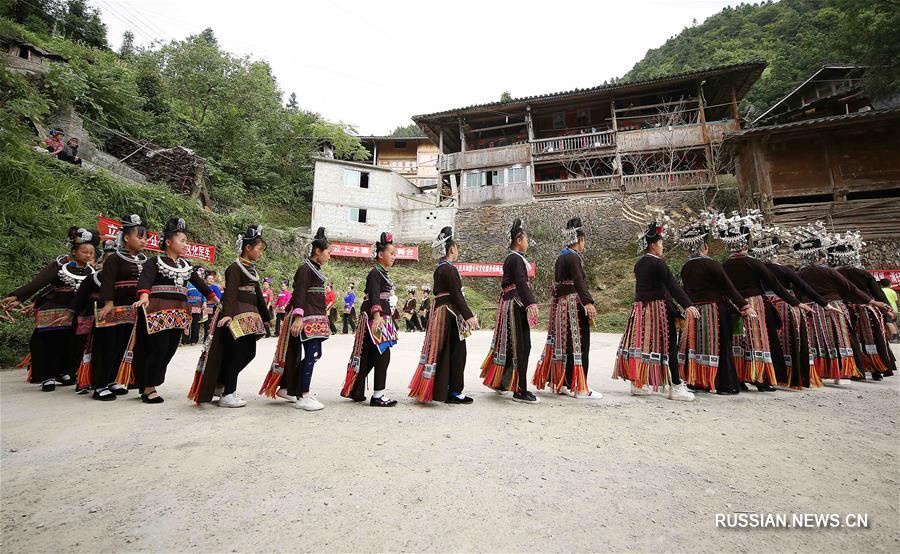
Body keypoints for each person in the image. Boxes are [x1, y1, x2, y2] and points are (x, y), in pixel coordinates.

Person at [718, 211, 809, 392]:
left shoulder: (725, 265)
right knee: (757, 339)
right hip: (754, 303)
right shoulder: (754, 263)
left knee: (738, 340)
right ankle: (760, 377)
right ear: (745, 243)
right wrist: (795, 302)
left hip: (734, 304)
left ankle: (740, 376)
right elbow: (775, 286)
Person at [131, 218, 217, 404]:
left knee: (170, 349)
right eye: (182, 240)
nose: (186, 244)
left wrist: (215, 299)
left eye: (186, 241)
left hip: (178, 312)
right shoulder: (154, 262)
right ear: (169, 242)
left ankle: (149, 381)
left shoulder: (186, 266)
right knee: (158, 348)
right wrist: (144, 297)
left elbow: (200, 284)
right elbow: (145, 281)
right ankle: (148, 387)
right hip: (158, 310)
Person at [2, 227, 98, 391]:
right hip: (55, 308)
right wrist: (18, 296)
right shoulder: (60, 265)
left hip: (78, 311)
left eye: (91, 253)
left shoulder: (92, 271)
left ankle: (65, 371)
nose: (88, 255)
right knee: (51, 343)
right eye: (84, 252)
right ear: (74, 252)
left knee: (73, 343)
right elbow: (39, 283)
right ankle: (47, 376)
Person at [612, 218, 697, 401]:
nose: (662, 247)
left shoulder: (639, 264)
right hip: (658, 310)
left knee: (642, 345)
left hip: (641, 310)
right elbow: (672, 286)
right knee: (669, 348)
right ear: (652, 245)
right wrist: (688, 305)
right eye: (660, 243)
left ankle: (639, 383)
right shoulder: (658, 263)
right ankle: (676, 386)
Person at [189, 225, 270, 408]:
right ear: (248, 248)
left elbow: (258, 296)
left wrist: (266, 316)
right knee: (237, 353)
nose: (260, 253)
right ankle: (228, 393)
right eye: (259, 249)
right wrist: (227, 315)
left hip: (251, 316)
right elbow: (231, 292)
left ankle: (223, 382)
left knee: (250, 352)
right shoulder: (234, 268)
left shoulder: (252, 270)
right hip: (236, 315)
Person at [677, 217, 754, 395]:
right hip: (713, 311)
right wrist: (744, 305)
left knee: (695, 347)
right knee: (721, 346)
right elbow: (729, 287)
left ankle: (698, 380)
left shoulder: (686, 267)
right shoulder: (712, 264)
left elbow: (683, 289)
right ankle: (724, 383)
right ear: (704, 246)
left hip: (695, 311)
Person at [793, 226, 875, 385]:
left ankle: (818, 371)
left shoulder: (799, 273)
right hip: (833, 306)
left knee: (814, 341)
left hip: (810, 308)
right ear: (820, 256)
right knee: (839, 339)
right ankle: (842, 373)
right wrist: (870, 301)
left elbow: (797, 291)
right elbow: (850, 288)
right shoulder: (829, 272)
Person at [261, 228, 333, 411]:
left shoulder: (315, 269)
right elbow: (299, 294)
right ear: (318, 251)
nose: (329, 256)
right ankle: (303, 396)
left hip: (316, 318)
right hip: (307, 319)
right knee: (311, 355)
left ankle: (288, 388)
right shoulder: (305, 269)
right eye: (328, 252)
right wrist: (298, 318)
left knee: (315, 354)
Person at [533, 217, 602, 399]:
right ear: (580, 240)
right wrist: (588, 302)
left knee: (564, 344)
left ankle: (563, 382)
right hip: (573, 306)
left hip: (561, 306)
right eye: (584, 241)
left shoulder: (561, 257)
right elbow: (579, 281)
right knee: (580, 345)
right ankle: (580, 387)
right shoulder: (574, 257)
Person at [409, 226, 478, 404]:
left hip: (441, 312)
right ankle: (455, 391)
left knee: (444, 351)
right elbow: (456, 294)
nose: (457, 251)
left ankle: (444, 388)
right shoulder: (450, 269)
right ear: (452, 249)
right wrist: (469, 315)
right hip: (450, 313)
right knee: (457, 352)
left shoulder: (439, 268)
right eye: (457, 248)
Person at [89, 215, 148, 401]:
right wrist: (108, 303)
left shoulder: (144, 261)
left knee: (123, 346)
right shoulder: (114, 259)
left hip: (132, 311)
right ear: (126, 238)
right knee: (107, 346)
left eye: (145, 237)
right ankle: (99, 384)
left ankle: (112, 379)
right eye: (139, 237)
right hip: (113, 309)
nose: (143, 241)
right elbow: (107, 282)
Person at [481, 218, 540, 404]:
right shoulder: (516, 259)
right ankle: (520, 390)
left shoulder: (511, 258)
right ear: (519, 239)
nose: (528, 243)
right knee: (522, 346)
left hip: (509, 303)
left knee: (508, 344)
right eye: (527, 240)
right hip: (516, 304)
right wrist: (531, 303)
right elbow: (521, 283)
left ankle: (501, 382)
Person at [341, 232, 400, 407]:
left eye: (395, 253)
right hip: (377, 317)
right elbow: (374, 295)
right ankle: (378, 395)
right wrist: (377, 316)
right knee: (383, 354)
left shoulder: (382, 273)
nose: (394, 257)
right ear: (381, 255)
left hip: (380, 316)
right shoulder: (375, 273)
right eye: (391, 253)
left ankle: (354, 389)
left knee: (369, 355)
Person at [829, 233, 895, 379]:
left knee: (850, 340)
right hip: (866, 309)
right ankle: (877, 369)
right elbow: (878, 294)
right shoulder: (863, 273)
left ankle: (856, 369)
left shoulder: (833, 273)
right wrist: (887, 309)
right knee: (871, 339)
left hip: (844, 309)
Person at [201, 271, 222, 342]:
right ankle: (205, 339)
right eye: (209, 278)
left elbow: (219, 298)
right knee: (205, 323)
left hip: (212, 307)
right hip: (203, 307)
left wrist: (208, 302)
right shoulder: (202, 286)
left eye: (212, 279)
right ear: (206, 279)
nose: (211, 280)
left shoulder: (215, 287)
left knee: (211, 322)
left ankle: (210, 338)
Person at [186, 275, 206, 345]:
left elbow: (204, 294)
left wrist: (204, 302)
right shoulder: (188, 285)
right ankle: (185, 340)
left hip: (197, 305)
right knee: (187, 322)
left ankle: (194, 340)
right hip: (188, 305)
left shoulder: (201, 285)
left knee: (195, 323)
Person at [880, 278, 899, 343]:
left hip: (887, 309)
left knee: (888, 323)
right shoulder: (892, 291)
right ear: (889, 284)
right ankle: (897, 336)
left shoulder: (881, 290)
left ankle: (895, 337)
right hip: (894, 309)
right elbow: (896, 300)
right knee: (893, 322)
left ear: (881, 284)